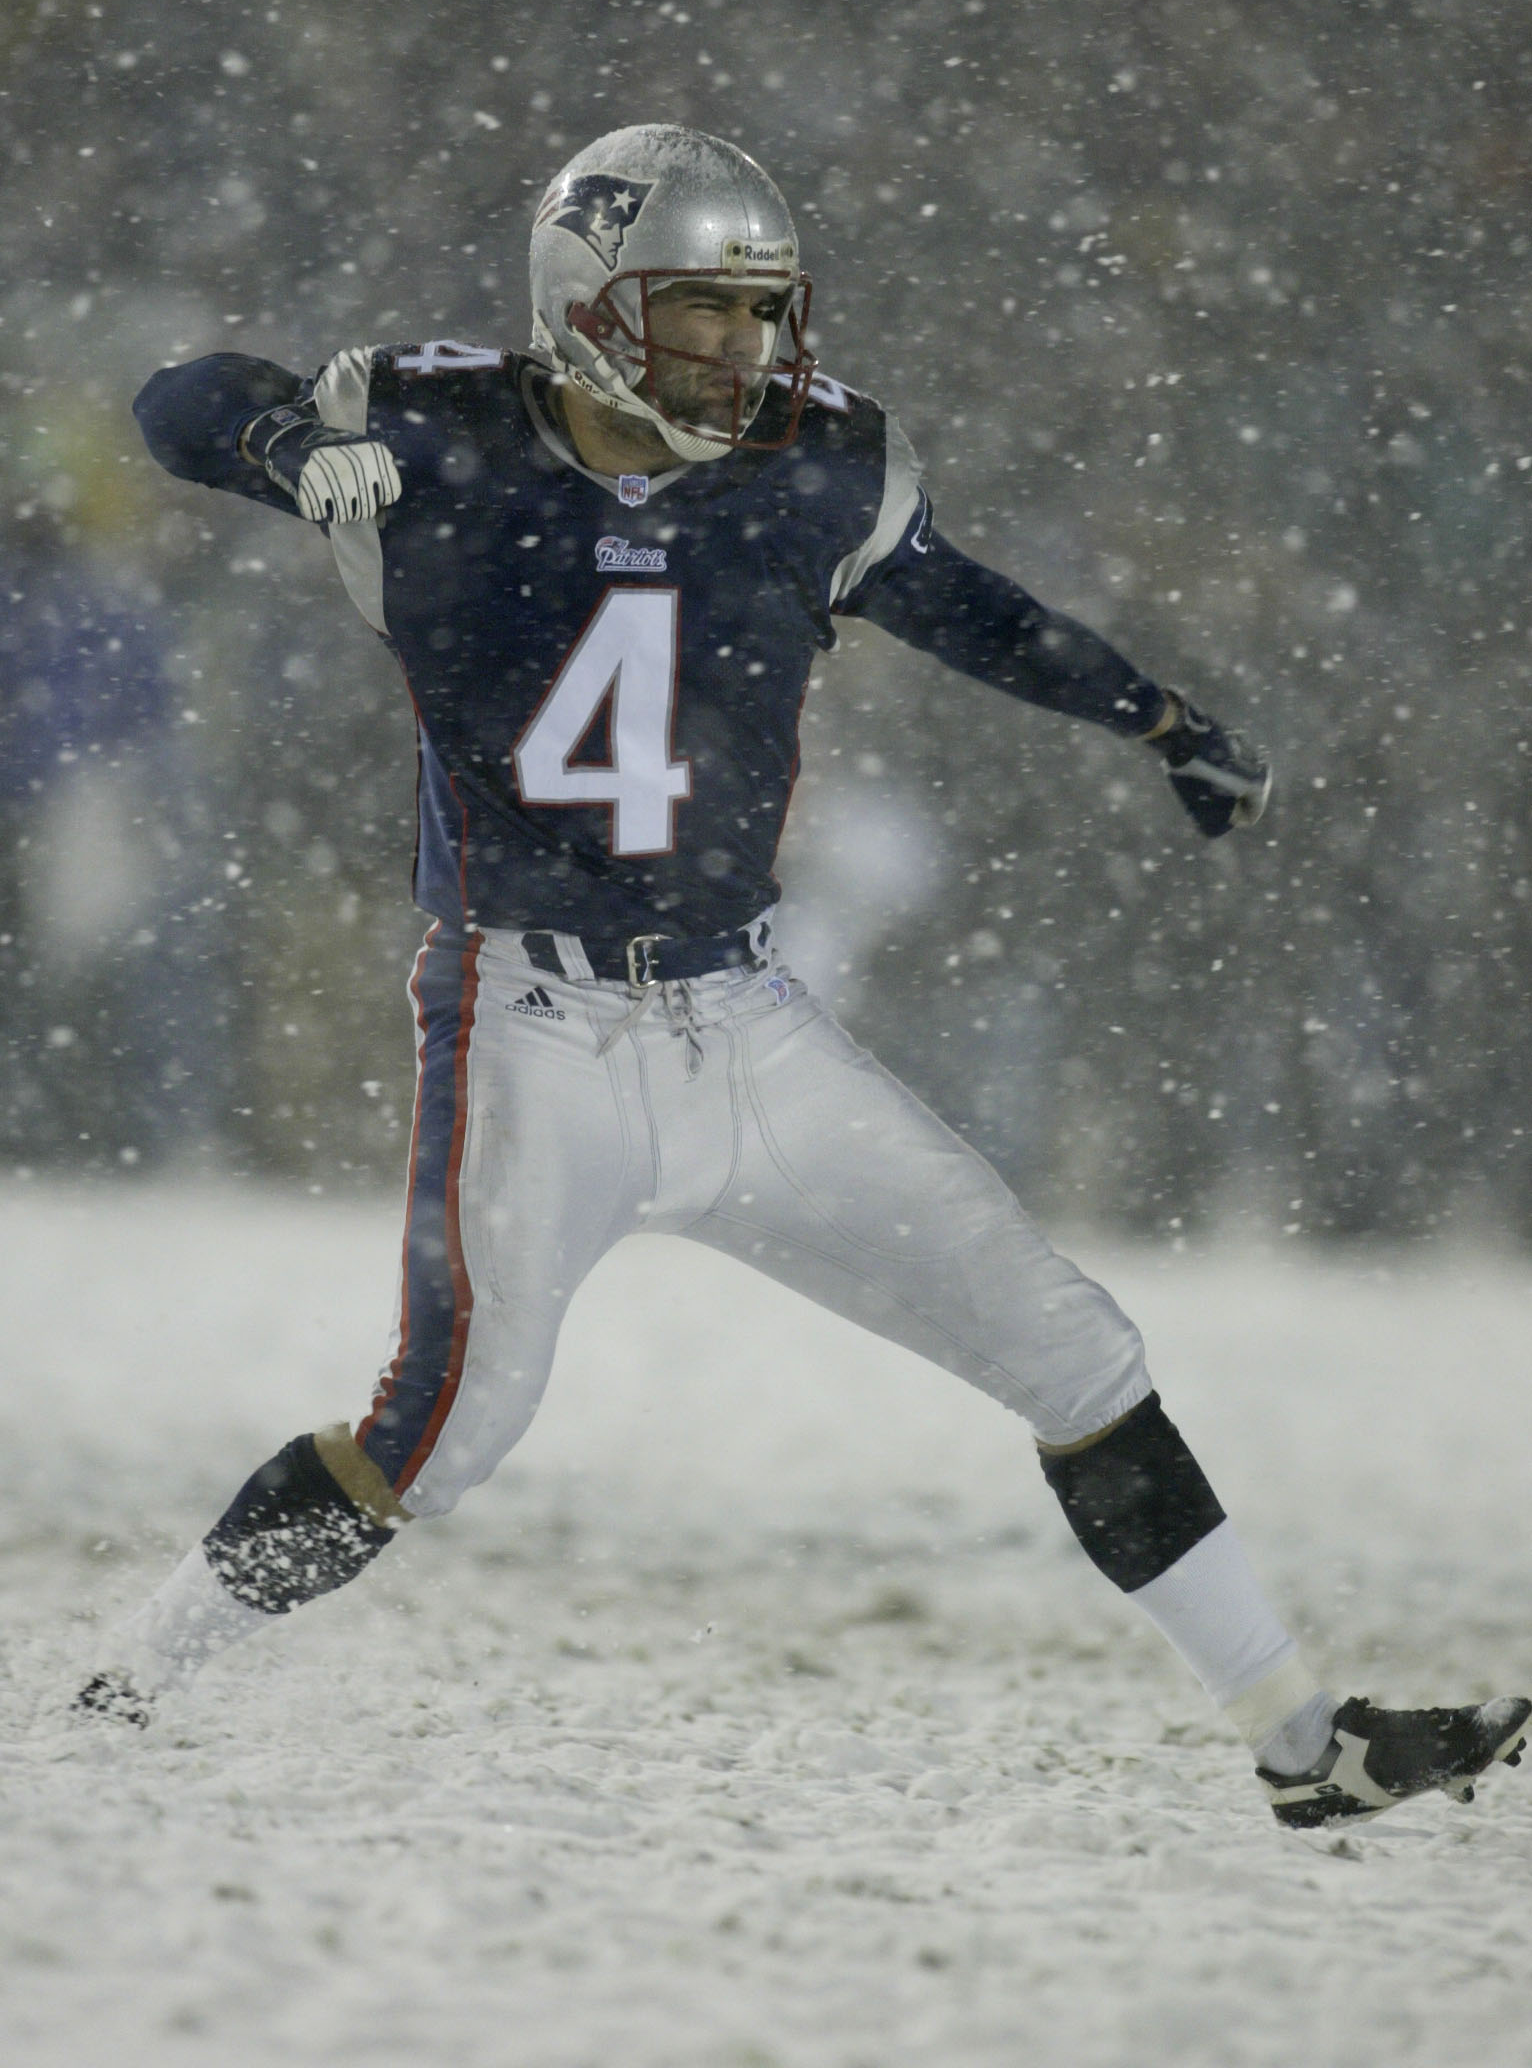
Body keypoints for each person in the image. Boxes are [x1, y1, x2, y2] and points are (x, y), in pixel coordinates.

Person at [86, 123, 1528, 1831]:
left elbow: (973, 611)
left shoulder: (814, 470)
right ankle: (132, 1680)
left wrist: (1154, 715)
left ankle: (1308, 1744)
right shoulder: (436, 430)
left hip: (750, 1027)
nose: (748, 352)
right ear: (592, 306)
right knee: (441, 1434)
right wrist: (275, 438)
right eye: (704, 313)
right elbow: (178, 397)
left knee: (1075, 1354)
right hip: (531, 1016)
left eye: (764, 313)